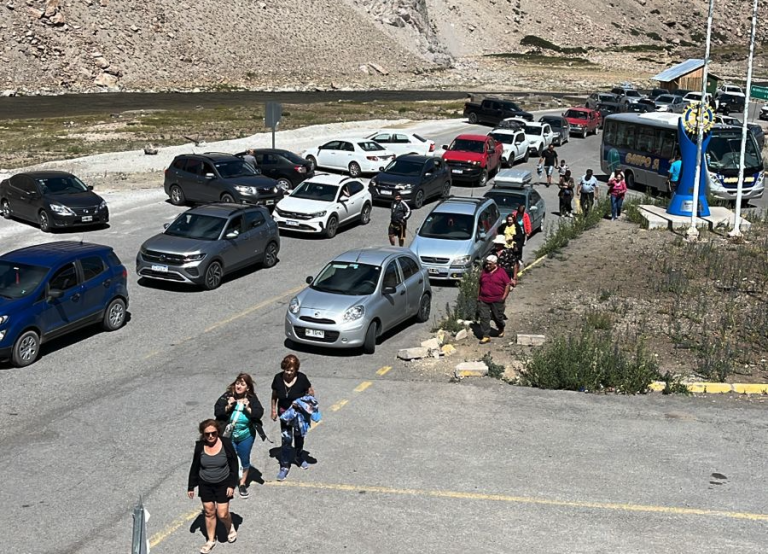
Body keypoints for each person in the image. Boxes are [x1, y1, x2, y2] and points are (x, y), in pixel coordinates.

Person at [187, 419, 239, 553]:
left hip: (223, 483)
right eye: (207, 434)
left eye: (213, 433)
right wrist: (191, 486)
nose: (210, 436)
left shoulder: (226, 444)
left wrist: (231, 485)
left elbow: (234, 464)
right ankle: (210, 540)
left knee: (222, 514)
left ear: (218, 432)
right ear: (203, 434)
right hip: (205, 484)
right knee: (209, 512)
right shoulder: (200, 446)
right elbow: (195, 466)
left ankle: (229, 527)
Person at [214, 373, 265, 499]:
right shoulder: (228, 396)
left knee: (244, 458)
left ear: (248, 388)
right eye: (237, 383)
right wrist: (228, 406)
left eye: (242, 384)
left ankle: (242, 484)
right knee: (228, 458)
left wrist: (248, 408)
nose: (239, 386)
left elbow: (259, 413)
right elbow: (217, 411)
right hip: (229, 435)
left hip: (246, 436)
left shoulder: (251, 398)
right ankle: (228, 483)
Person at [271, 354, 315, 481]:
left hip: (299, 414)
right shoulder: (278, 378)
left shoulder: (302, 378)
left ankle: (298, 456)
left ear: (296, 369)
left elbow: (311, 393)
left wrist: (302, 403)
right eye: (287, 370)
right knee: (286, 439)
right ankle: (284, 465)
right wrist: (273, 410)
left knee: (299, 437)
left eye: (292, 370)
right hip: (284, 414)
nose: (289, 373)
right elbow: (274, 396)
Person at [477, 254, 511, 344]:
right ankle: (486, 335)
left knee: (498, 317)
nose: (487, 266)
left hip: (497, 299)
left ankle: (501, 327)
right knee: (484, 317)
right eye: (487, 264)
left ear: (495, 264)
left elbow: (507, 284)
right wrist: (478, 296)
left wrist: (504, 297)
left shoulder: (501, 272)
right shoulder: (484, 272)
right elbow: (480, 283)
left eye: (490, 264)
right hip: (484, 299)